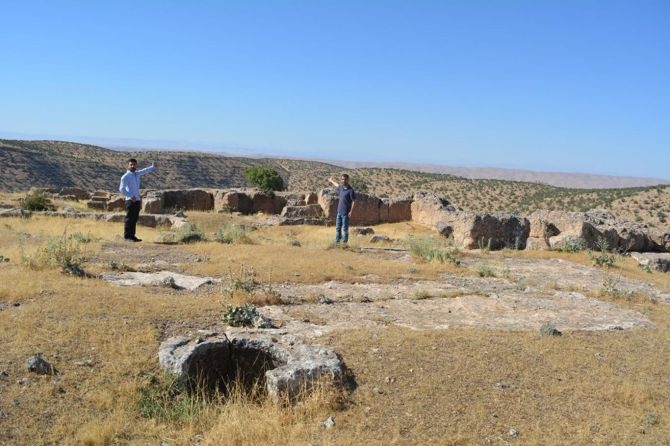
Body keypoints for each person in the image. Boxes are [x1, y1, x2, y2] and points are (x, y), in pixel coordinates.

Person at [119, 158, 156, 242]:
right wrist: (130, 196)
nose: (132, 166)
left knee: (134, 218)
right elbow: (121, 189)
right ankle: (127, 237)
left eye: (134, 164)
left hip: (137, 200)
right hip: (130, 200)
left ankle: (132, 236)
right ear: (128, 165)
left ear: (136, 165)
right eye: (131, 165)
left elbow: (144, 170)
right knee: (129, 218)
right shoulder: (125, 176)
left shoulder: (136, 174)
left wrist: (153, 167)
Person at [328, 173, 356, 244]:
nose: (343, 181)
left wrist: (351, 211)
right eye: (342, 179)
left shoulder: (351, 190)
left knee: (345, 229)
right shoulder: (341, 188)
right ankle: (337, 242)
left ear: (348, 180)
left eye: (345, 179)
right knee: (338, 228)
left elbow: (354, 201)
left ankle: (344, 243)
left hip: (346, 213)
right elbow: (336, 185)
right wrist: (331, 181)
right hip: (339, 212)